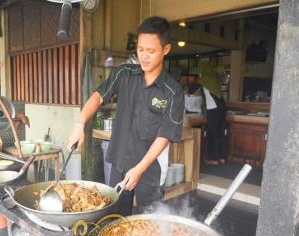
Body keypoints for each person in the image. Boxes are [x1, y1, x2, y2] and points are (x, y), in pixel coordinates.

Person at [67, 17, 184, 216]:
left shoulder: (172, 91)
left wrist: (139, 169)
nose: (144, 57)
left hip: (150, 167)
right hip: (120, 160)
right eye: (140, 50)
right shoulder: (124, 74)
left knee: (150, 222)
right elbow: (98, 96)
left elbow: (164, 135)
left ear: (166, 49)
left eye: (151, 51)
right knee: (115, 218)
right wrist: (80, 124)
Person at [189, 62, 227, 165]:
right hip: (222, 109)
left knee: (212, 134)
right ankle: (221, 157)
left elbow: (191, 90)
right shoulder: (214, 80)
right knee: (221, 133)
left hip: (212, 110)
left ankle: (214, 159)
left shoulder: (203, 80)